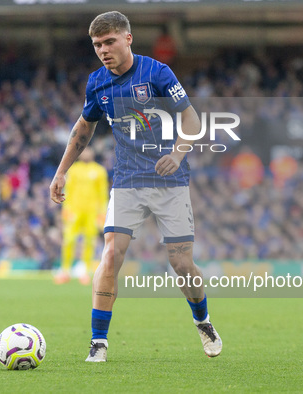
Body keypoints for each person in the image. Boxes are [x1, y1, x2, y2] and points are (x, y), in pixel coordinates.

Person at [49, 11, 222, 362]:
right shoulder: (97, 82)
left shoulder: (157, 73)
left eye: (109, 41)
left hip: (169, 179)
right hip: (127, 180)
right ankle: (99, 341)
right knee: (111, 254)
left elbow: (191, 119)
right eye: (97, 44)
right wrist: (61, 170)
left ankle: (202, 319)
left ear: (128, 38)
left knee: (182, 264)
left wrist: (177, 152)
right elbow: (84, 128)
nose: (103, 50)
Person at [54, 146, 108, 285]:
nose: (86, 153)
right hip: (75, 210)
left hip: (92, 212)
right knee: (69, 239)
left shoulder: (99, 171)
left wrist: (102, 213)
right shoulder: (73, 170)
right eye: (84, 150)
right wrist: (66, 208)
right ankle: (64, 270)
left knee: (90, 240)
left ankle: (85, 271)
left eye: (89, 150)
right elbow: (69, 190)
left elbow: (102, 193)